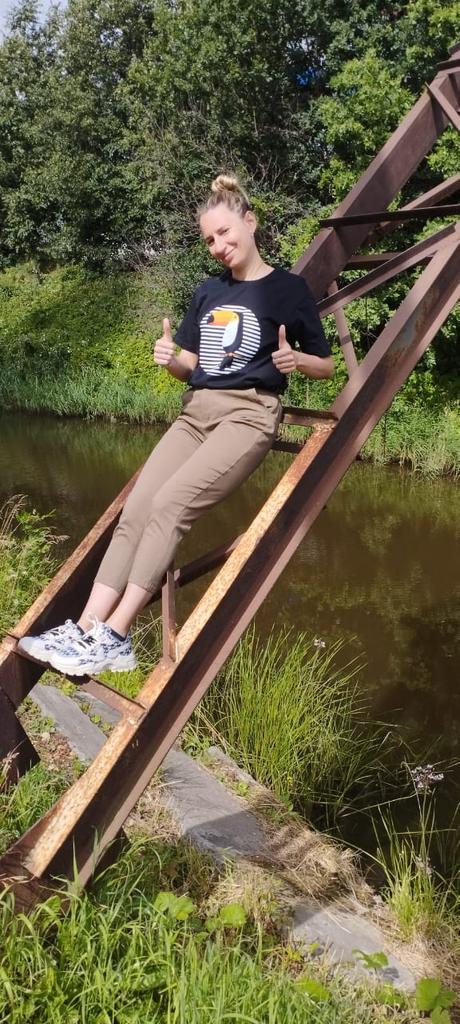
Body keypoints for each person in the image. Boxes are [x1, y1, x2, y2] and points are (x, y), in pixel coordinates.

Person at [18, 174, 334, 676]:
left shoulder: (288, 290)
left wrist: (296, 360)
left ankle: (116, 637)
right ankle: (85, 627)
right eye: (209, 239)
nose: (219, 246)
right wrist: (170, 359)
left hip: (249, 414)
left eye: (225, 232)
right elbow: (193, 365)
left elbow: (326, 364)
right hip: (196, 411)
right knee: (137, 508)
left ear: (250, 222)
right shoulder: (209, 291)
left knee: (170, 504)